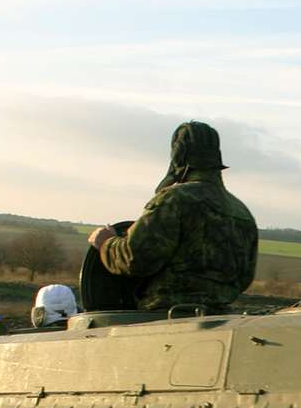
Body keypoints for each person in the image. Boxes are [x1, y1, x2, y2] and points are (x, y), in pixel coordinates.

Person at [85, 121, 258, 312]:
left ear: (178, 155)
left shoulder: (174, 200)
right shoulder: (242, 213)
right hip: (220, 319)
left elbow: (136, 259)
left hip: (166, 319)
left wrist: (106, 243)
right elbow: (244, 278)